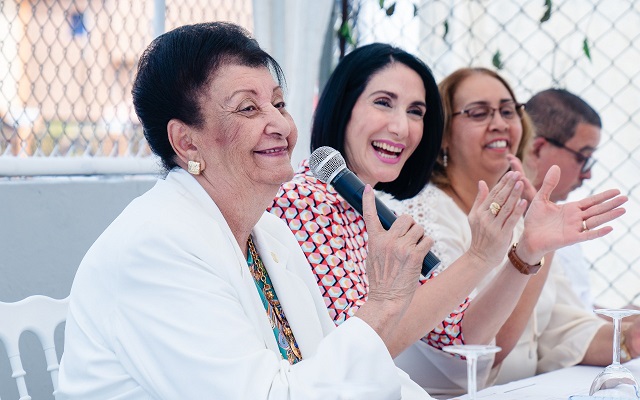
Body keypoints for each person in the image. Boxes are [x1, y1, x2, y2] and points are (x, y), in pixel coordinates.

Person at [56, 22, 440, 399]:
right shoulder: (154, 248)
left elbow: (324, 361)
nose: (280, 125)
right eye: (248, 108)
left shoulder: (269, 232)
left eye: (278, 103)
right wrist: (384, 303)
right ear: (187, 143)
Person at [268, 46, 623, 396]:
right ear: (343, 108)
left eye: (416, 111)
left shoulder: (381, 211)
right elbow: (359, 347)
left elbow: (461, 336)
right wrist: (478, 257)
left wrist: (528, 251)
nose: (401, 127)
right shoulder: (307, 199)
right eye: (383, 102)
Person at [395, 67, 630, 393]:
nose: (500, 123)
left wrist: (630, 336)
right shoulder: (421, 220)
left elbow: (559, 328)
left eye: (508, 111)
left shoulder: (522, 212)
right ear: (444, 133)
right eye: (479, 113)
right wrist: (530, 253)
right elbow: (474, 354)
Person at [523, 88, 602, 309]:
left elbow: (573, 314)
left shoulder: (560, 219)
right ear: (537, 149)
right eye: (583, 157)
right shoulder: (496, 222)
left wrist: (628, 325)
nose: (588, 174)